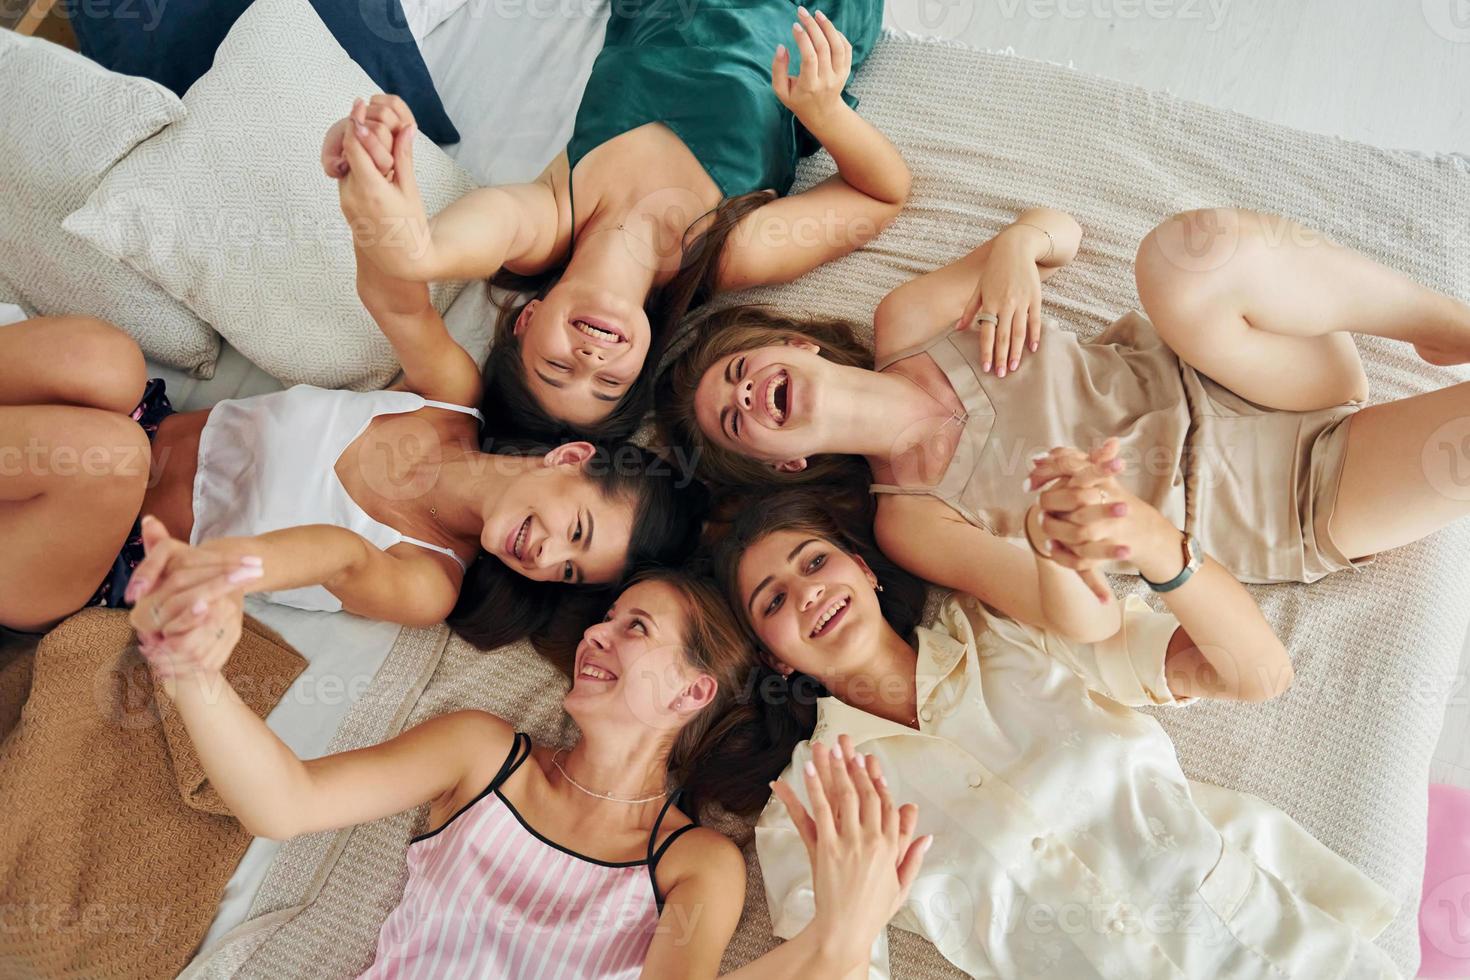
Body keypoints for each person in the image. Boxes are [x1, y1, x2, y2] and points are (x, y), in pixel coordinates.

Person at [129, 522, 931, 978]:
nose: (596, 633)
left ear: (693, 694)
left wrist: (838, 937)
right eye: (607, 617)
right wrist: (191, 672)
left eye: (634, 629)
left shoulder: (697, 864)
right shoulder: (482, 755)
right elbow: (286, 804)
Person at [665, 206, 1470, 640]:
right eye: (736, 423)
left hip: (1242, 367)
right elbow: (1073, 618)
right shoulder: (908, 520)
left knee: (1182, 253)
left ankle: (1442, 323)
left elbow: (1065, 231)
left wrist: (1018, 245)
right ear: (783, 466)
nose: (744, 397)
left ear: (794, 345)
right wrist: (1062, 550)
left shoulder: (909, 318)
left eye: (738, 374)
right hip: (1286, 501)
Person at [714, 486, 1403, 978]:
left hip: (1272, 950)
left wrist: (1158, 543)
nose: (806, 593)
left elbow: (1247, 672)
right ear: (776, 656)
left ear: (861, 569)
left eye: (813, 562)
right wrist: (846, 923)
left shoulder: (1011, 633)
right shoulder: (807, 808)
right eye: (773, 600)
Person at [324, 0, 908, 444]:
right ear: (645, 355)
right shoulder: (727, 251)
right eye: (610, 384)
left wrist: (401, 237)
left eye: (555, 367)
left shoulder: (549, 220)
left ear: (528, 320)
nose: (589, 362)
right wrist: (826, 114)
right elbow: (879, 195)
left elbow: (444, 246)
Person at [0, 307, 703, 642]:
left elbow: (336, 557)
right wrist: (372, 181)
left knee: (112, 459)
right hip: (133, 431)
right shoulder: (446, 397)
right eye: (576, 529)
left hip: (86, 557)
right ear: (571, 459)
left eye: (571, 572)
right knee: (107, 362)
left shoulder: (428, 580)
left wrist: (217, 575)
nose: (547, 557)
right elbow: (398, 297)